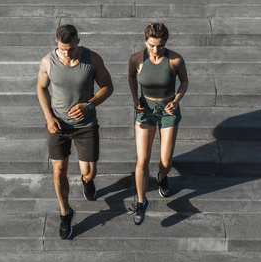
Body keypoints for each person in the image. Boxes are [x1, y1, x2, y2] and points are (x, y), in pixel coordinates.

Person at [37, 24, 114, 239]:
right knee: (58, 171)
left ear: (78, 41)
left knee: (88, 171)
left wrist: (89, 105)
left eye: (70, 48)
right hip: (58, 125)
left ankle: (87, 181)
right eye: (62, 49)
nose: (67, 53)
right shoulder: (47, 61)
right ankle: (65, 213)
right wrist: (49, 117)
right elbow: (41, 87)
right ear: (56, 43)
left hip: (86, 125)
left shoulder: (92, 59)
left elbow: (108, 86)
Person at [128, 22, 188, 225]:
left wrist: (176, 101)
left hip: (167, 111)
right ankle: (141, 202)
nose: (155, 50)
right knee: (141, 160)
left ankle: (162, 177)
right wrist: (135, 99)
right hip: (145, 111)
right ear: (145, 41)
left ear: (165, 43)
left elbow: (184, 82)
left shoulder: (175, 60)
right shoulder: (137, 59)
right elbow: (130, 77)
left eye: (160, 46)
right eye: (152, 45)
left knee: (165, 161)